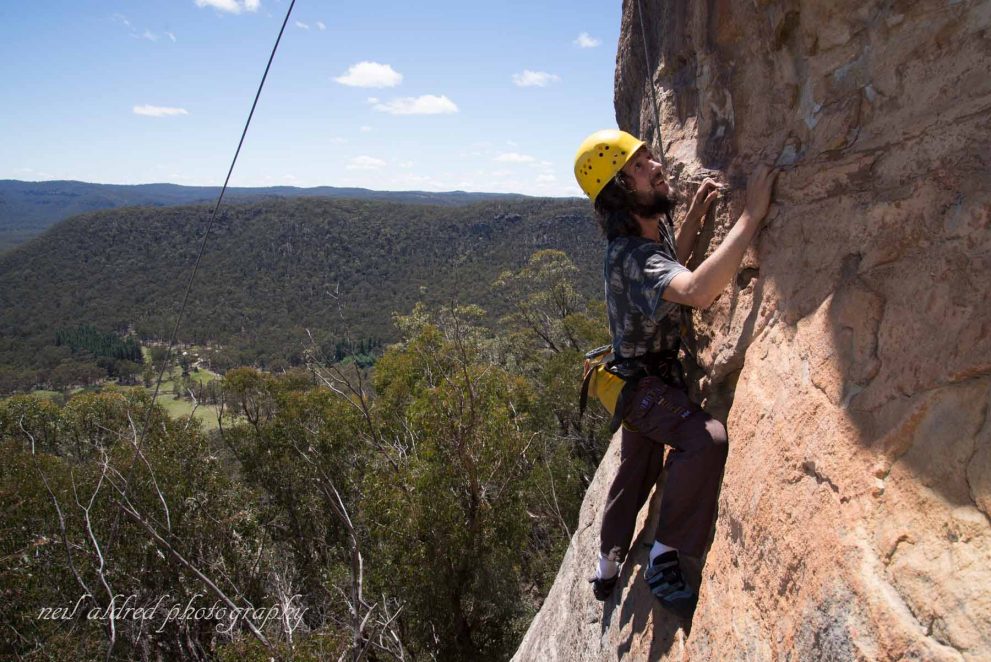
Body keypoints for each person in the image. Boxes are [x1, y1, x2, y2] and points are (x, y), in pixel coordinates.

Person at [573, 129, 779, 616]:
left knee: (636, 467)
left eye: (649, 156)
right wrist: (751, 216)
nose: (657, 165)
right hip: (643, 386)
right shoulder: (631, 254)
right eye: (641, 166)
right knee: (704, 439)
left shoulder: (646, 235)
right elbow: (692, 290)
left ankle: (607, 566)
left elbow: (671, 263)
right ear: (622, 189)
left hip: (637, 380)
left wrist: (695, 218)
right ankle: (665, 555)